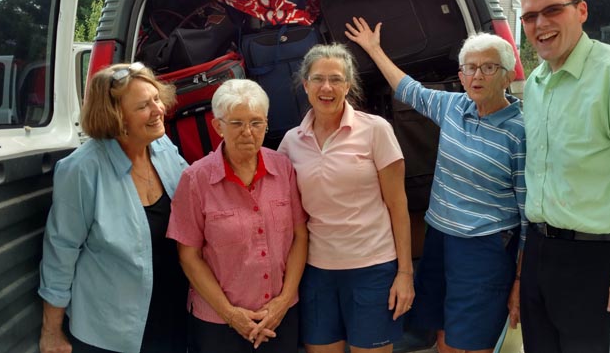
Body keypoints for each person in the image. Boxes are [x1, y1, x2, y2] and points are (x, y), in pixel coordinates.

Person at [345, 19, 527, 353]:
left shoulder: (520, 131)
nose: (477, 76)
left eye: (488, 68)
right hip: (440, 240)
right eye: (470, 68)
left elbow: (529, 210)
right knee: (443, 335)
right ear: (460, 74)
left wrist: (519, 278)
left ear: (506, 73)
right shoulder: (454, 106)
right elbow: (408, 88)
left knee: (468, 343)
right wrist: (373, 48)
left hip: (484, 249)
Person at [516, 0, 610, 353]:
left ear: (581, 10)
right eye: (530, 16)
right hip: (539, 254)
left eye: (552, 10)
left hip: (596, 262)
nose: (540, 24)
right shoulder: (535, 83)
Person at [38, 62, 189, 353]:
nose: (159, 110)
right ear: (116, 117)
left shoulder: (162, 147)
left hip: (170, 316)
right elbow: (61, 251)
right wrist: (51, 332)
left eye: (156, 98)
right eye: (144, 106)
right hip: (110, 331)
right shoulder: (81, 170)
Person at [277, 44, 415, 353]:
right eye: (318, 79)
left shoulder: (376, 130)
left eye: (336, 79)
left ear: (348, 85)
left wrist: (404, 274)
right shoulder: (290, 142)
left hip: (373, 269)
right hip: (316, 272)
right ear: (305, 85)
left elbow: (398, 206)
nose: (327, 87)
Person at [166, 78, 308, 353]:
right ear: (218, 126)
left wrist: (284, 300)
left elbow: (300, 237)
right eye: (236, 123)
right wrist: (231, 314)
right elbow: (189, 256)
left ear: (266, 124)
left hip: (280, 316)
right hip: (218, 323)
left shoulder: (283, 168)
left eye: (256, 123)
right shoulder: (196, 179)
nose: (248, 132)